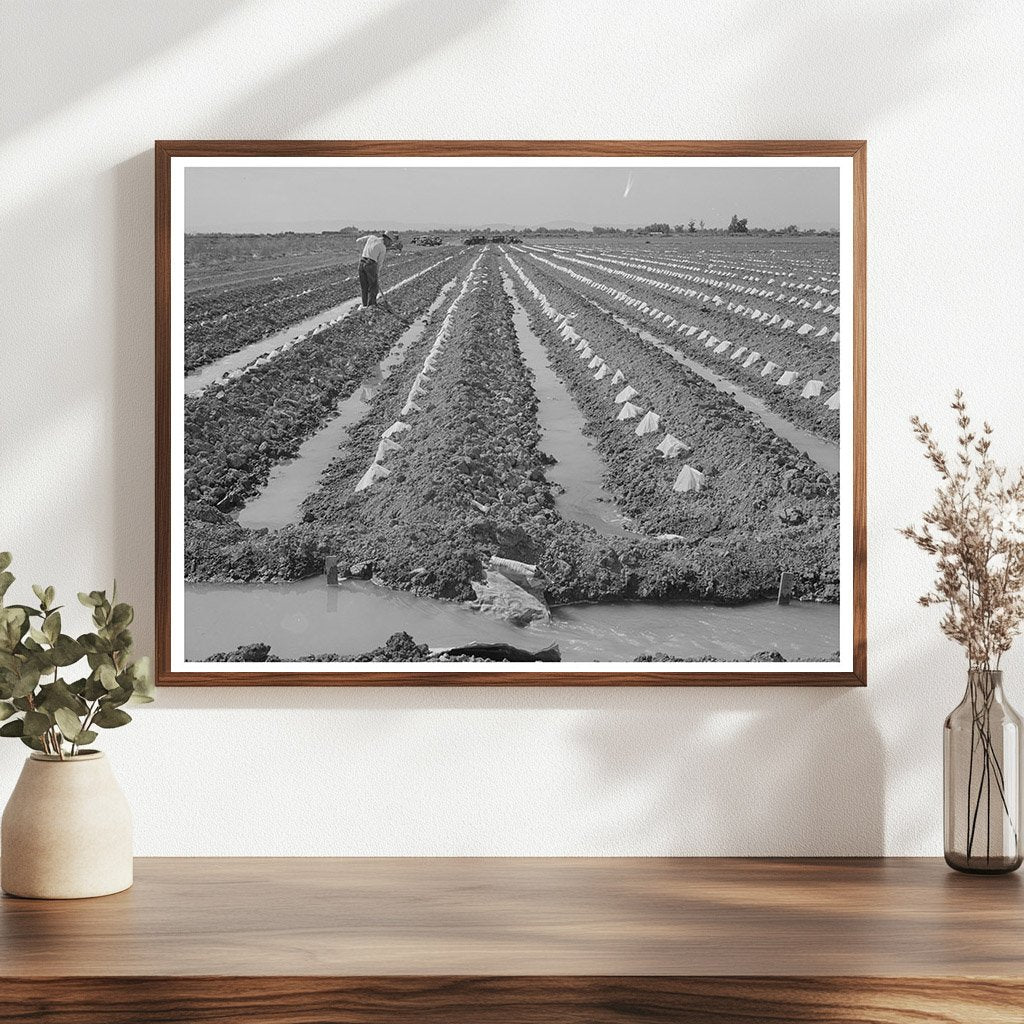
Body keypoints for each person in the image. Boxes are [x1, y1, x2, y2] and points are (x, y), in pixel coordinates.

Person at [356, 230, 398, 308]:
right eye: (390, 242)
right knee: (373, 286)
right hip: (371, 264)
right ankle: (371, 306)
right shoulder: (382, 248)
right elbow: (379, 264)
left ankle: (365, 305)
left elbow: (358, 241)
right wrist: (376, 275)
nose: (390, 244)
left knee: (364, 286)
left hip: (362, 262)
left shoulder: (371, 237)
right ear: (387, 239)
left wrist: (362, 253)